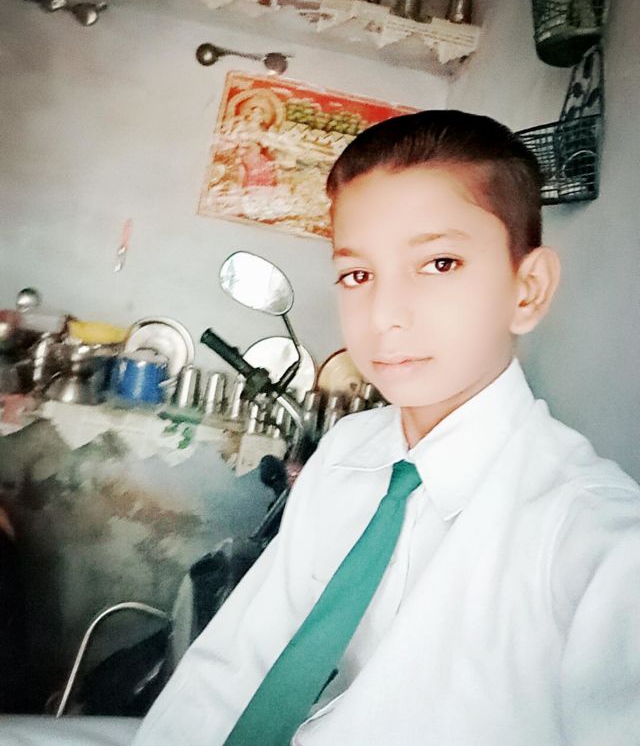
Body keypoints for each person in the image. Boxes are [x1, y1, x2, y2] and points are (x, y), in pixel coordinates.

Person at [132, 110, 640, 745]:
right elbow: (238, 659)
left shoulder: (599, 545)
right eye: (357, 275)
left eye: (440, 263)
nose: (384, 316)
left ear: (528, 289)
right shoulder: (349, 449)